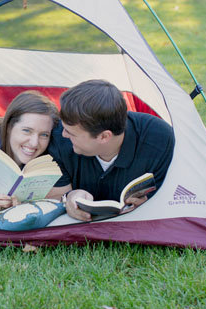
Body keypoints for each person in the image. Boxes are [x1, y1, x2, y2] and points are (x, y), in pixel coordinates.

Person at [47, 79, 175, 222]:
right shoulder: (59, 139)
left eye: (71, 132)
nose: (64, 134)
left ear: (104, 136)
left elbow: (177, 196)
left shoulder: (160, 140)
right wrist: (68, 198)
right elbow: (53, 199)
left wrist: (152, 203)